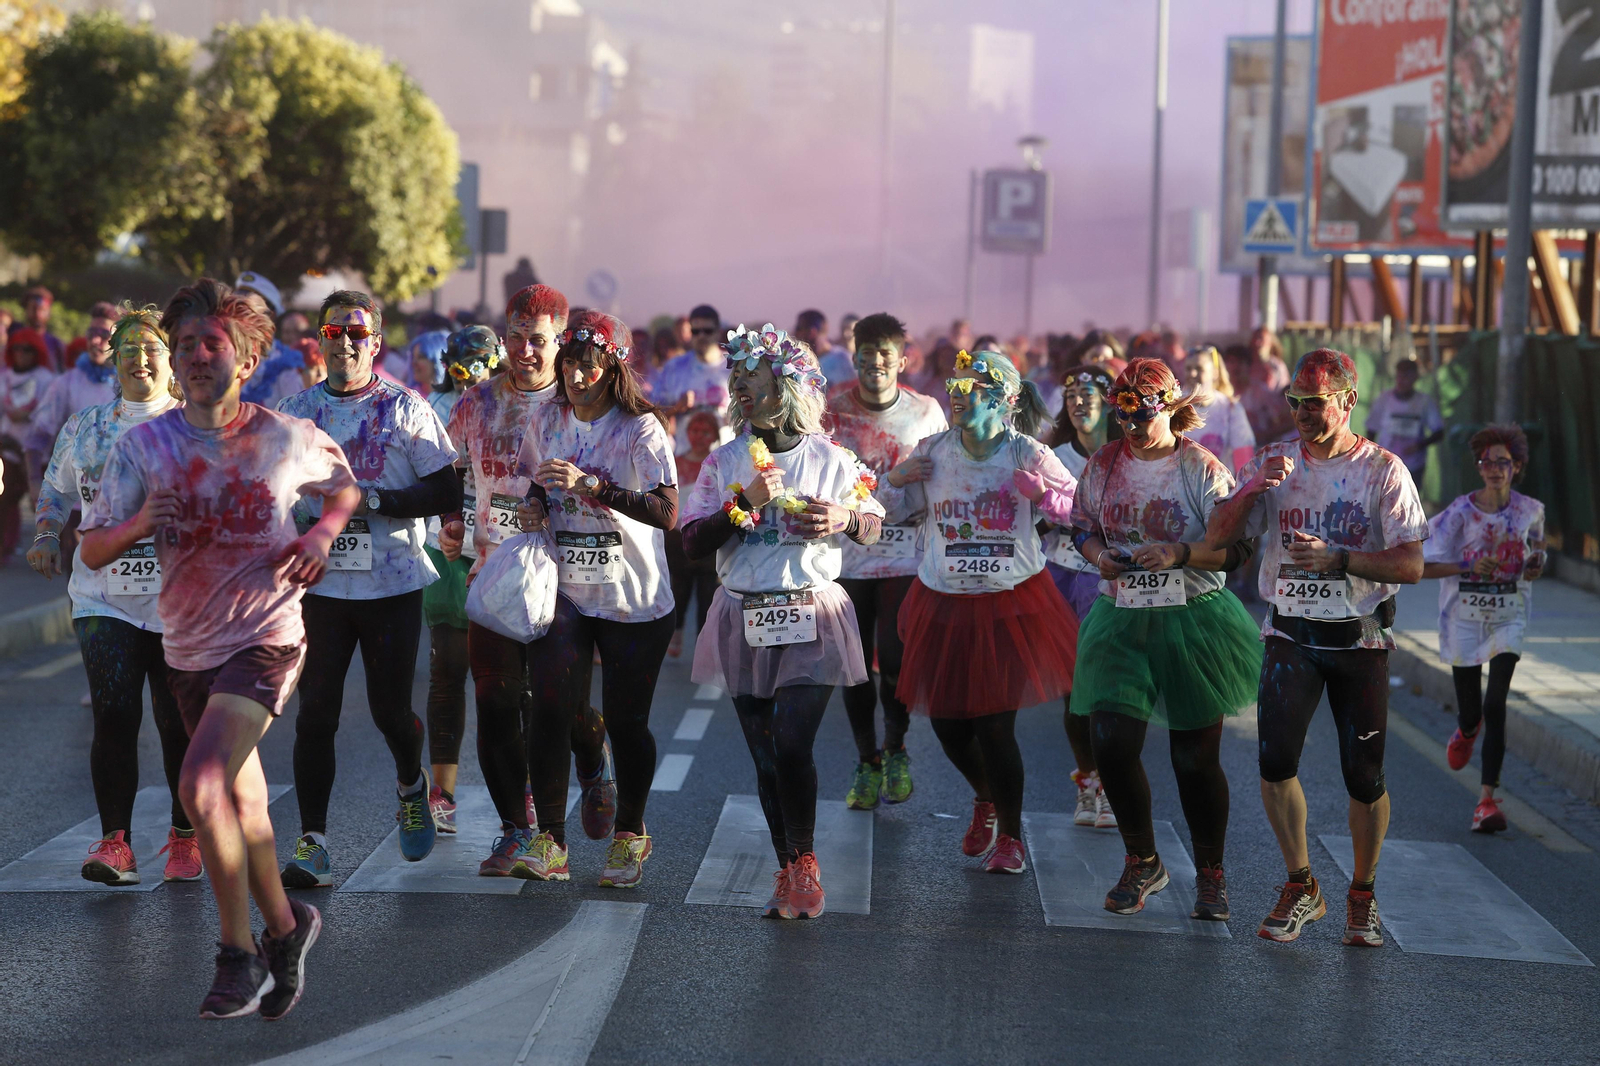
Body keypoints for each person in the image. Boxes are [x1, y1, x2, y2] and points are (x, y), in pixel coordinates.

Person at [79, 277, 359, 1020]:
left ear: (247, 358)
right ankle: (288, 927)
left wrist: (321, 534)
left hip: (268, 637)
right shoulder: (145, 447)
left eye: (214, 343)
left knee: (201, 784)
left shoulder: (283, 435)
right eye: (187, 345)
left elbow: (345, 488)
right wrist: (140, 524)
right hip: (190, 648)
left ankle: (239, 955)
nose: (199, 355)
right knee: (247, 806)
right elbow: (96, 548)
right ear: (173, 361)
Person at [1206, 347, 1427, 949]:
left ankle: (1363, 892)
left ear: (1349, 401)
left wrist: (1340, 559)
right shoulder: (1273, 460)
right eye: (1295, 402)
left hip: (1360, 637)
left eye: (1315, 402)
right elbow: (1218, 536)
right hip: (1290, 633)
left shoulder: (1383, 470)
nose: (1302, 412)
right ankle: (1302, 884)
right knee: (1274, 763)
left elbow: (1411, 562)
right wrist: (1252, 487)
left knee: (1363, 774)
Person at [681, 324, 884, 919]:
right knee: (766, 756)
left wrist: (845, 517)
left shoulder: (830, 458)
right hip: (744, 613)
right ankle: (790, 865)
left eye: (753, 378)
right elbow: (691, 541)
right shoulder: (726, 460)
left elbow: (874, 523)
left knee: (793, 742)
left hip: (810, 613)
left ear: (787, 385)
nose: (741, 388)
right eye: (736, 379)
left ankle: (805, 862)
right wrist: (742, 504)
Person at [275, 290, 460, 887]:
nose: (346, 344)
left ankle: (411, 785)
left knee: (388, 710)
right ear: (321, 341)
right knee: (316, 711)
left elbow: (445, 492)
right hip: (322, 585)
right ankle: (313, 842)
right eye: (335, 333)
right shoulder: (295, 413)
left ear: (376, 344)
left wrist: (376, 499)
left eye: (358, 334)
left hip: (392, 583)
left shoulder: (406, 409)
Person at [1068, 358, 1263, 918]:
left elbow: (1238, 551)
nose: (1131, 425)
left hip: (1194, 618)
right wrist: (1099, 556)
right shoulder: (1103, 465)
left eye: (1143, 411)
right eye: (1123, 412)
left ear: (1172, 408)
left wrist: (1179, 553)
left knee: (1194, 760)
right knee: (1110, 742)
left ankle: (1210, 874)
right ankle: (1143, 860)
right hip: (1121, 616)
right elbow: (1082, 527)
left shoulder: (1200, 468)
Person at [439, 285, 616, 874]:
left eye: (538, 340)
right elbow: (454, 475)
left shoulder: (580, 408)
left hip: (565, 580)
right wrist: (449, 521)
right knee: (493, 701)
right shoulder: (475, 403)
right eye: (514, 337)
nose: (524, 351)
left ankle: (592, 756)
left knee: (559, 711)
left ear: (559, 342)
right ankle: (519, 831)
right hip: (493, 571)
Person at [883, 349, 1079, 876]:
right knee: (947, 726)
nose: (957, 396)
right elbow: (889, 513)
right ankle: (984, 798)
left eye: (970, 389)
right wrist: (897, 481)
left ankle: (1012, 836)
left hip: (1008, 601)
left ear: (1003, 400)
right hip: (942, 600)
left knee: (994, 727)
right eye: (954, 387)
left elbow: (1081, 509)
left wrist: (1046, 497)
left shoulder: (1027, 454)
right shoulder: (931, 452)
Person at [27, 305, 198, 886]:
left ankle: (183, 835)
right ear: (113, 359)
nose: (140, 359)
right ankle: (115, 843)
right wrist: (48, 536)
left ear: (170, 358)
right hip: (103, 595)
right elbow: (53, 492)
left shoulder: (195, 424)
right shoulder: (86, 428)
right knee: (115, 714)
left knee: (176, 724)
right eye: (128, 349)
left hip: (178, 599)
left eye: (151, 348)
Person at [511, 311, 677, 887]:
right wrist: (535, 505)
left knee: (629, 722)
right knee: (551, 708)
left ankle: (630, 835)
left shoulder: (640, 428)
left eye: (591, 364)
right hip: (566, 591)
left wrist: (595, 487)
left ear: (614, 367)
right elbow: (536, 482)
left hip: (633, 596)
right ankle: (551, 840)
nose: (578, 375)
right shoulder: (548, 417)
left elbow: (667, 511)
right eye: (571, 362)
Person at [825, 312, 947, 810]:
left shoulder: (925, 412)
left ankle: (895, 748)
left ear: (902, 359)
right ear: (853, 355)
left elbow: (945, 476)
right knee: (854, 668)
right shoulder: (830, 414)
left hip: (903, 552)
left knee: (894, 661)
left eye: (885, 353)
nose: (875, 361)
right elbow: (823, 483)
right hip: (848, 557)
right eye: (867, 352)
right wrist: (892, 480)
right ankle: (866, 761)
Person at [1422, 424, 1545, 833]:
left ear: (1517, 467)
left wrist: (1534, 565)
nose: (1494, 469)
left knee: (1496, 705)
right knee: (1474, 710)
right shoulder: (1460, 512)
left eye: (1502, 463)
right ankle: (1467, 728)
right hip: (1464, 621)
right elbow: (1420, 566)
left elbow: (1537, 553)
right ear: (1479, 468)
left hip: (1510, 615)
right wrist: (1468, 565)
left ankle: (1487, 800)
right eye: (1486, 462)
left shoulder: (1531, 511)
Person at [420, 326, 499, 830]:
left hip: (505, 548)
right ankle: (441, 793)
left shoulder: (513, 405)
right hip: (444, 546)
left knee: (509, 679)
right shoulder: (430, 407)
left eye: (482, 361)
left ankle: (527, 790)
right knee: (448, 668)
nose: (471, 369)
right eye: (462, 360)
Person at [1043, 365, 1122, 828]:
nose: (1079, 402)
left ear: (1109, 402)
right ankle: (1088, 780)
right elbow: (1032, 520)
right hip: (1061, 577)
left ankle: (1112, 783)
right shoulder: (1052, 456)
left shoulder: (1124, 454)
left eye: (1089, 394)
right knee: (1074, 691)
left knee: (1108, 686)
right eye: (1071, 394)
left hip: (1111, 579)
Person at [25, 302, 118, 489]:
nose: (94, 341)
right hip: (74, 498)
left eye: (104, 335)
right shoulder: (67, 383)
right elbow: (38, 435)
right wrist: (34, 481)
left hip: (119, 500)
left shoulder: (132, 383)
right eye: (91, 334)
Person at [664, 409, 721, 658]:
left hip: (709, 536)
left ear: (714, 436)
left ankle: (704, 644)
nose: (699, 436)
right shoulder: (674, 462)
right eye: (695, 430)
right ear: (687, 433)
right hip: (678, 537)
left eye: (705, 431)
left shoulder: (720, 463)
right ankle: (675, 633)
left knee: (708, 592)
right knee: (679, 587)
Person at [2, 328, 57, 559]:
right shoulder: (4, 376)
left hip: (37, 454)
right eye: (17, 348)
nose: (21, 354)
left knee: (43, 505)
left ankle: (52, 550)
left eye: (27, 349)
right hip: (9, 452)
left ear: (37, 353)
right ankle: (4, 549)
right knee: (5, 503)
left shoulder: (47, 379)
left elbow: (52, 412)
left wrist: (28, 414)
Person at [653, 303, 732, 452]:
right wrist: (676, 407)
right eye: (696, 331)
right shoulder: (674, 368)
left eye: (707, 331)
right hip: (685, 461)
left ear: (718, 332)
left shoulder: (734, 367)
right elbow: (652, 415)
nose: (701, 336)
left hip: (726, 460)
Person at [1365, 358, 1444, 488]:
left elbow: (1439, 431)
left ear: (1415, 378)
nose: (1402, 381)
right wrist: (1371, 458)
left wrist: (1419, 446)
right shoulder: (1384, 399)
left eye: (1407, 377)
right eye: (1399, 376)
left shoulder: (1424, 402)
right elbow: (1371, 429)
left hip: (1413, 465)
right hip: (1385, 463)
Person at [1183, 344, 1257, 473]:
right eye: (1188, 368)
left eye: (1199, 368)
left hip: (1220, 490)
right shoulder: (1175, 407)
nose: (1192, 374)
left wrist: (1243, 491)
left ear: (1215, 373)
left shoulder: (1231, 408)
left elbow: (1244, 463)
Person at [796, 309, 853, 385]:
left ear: (812, 332)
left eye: (799, 329)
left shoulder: (843, 359)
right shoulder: (801, 363)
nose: (796, 334)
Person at [21, 285, 65, 372]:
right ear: (26, 310)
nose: (38, 314)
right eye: (34, 309)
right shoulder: (15, 342)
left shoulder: (57, 346)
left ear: (49, 312)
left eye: (42, 310)